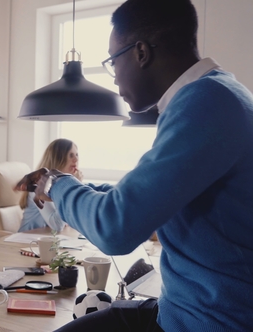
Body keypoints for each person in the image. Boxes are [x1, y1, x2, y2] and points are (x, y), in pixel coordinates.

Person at [15, 0, 253, 331]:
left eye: (113, 60)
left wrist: (58, 184)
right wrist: (70, 187)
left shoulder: (206, 103)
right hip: (183, 310)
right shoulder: (219, 94)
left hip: (209, 322)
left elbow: (116, 227)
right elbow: (142, 200)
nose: (114, 79)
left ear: (141, 52)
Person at [18, 139, 112, 232]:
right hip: (25, 242)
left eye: (76, 155)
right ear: (58, 159)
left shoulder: (60, 185)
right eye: (70, 155)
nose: (76, 159)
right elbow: (57, 225)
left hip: (47, 240)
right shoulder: (40, 185)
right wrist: (74, 184)